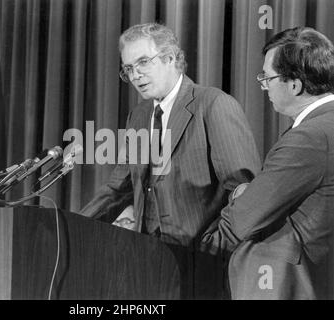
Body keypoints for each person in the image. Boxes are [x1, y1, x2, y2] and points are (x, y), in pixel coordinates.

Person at [79, 23, 261, 298]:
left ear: (171, 58)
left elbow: (244, 192)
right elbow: (119, 187)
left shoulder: (212, 104)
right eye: (128, 68)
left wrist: (213, 246)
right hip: (149, 266)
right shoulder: (139, 116)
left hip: (205, 268)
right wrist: (71, 226)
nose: (135, 74)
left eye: (142, 62)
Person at [201, 27, 334, 299]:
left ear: (294, 85)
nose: (264, 86)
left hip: (287, 283)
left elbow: (244, 219)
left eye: (267, 78)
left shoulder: (309, 138)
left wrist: (195, 257)